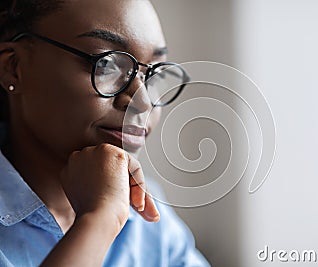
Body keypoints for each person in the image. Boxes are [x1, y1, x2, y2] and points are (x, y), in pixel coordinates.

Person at [0, 0, 210, 266]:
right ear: (13, 67)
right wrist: (101, 219)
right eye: (106, 64)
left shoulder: (146, 217)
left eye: (153, 74)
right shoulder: (116, 209)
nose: (142, 102)